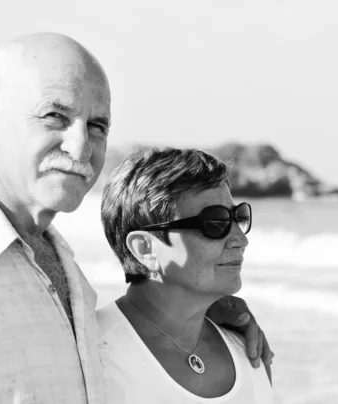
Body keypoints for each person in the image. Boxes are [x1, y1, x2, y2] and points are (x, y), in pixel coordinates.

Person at [0, 33, 271, 404]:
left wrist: (200, 305)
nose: (80, 147)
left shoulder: (64, 271)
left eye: (97, 125)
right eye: (54, 115)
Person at [97, 147, 274, 403]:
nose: (239, 241)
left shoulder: (250, 354)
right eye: (215, 222)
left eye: (239, 217)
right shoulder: (90, 354)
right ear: (145, 248)